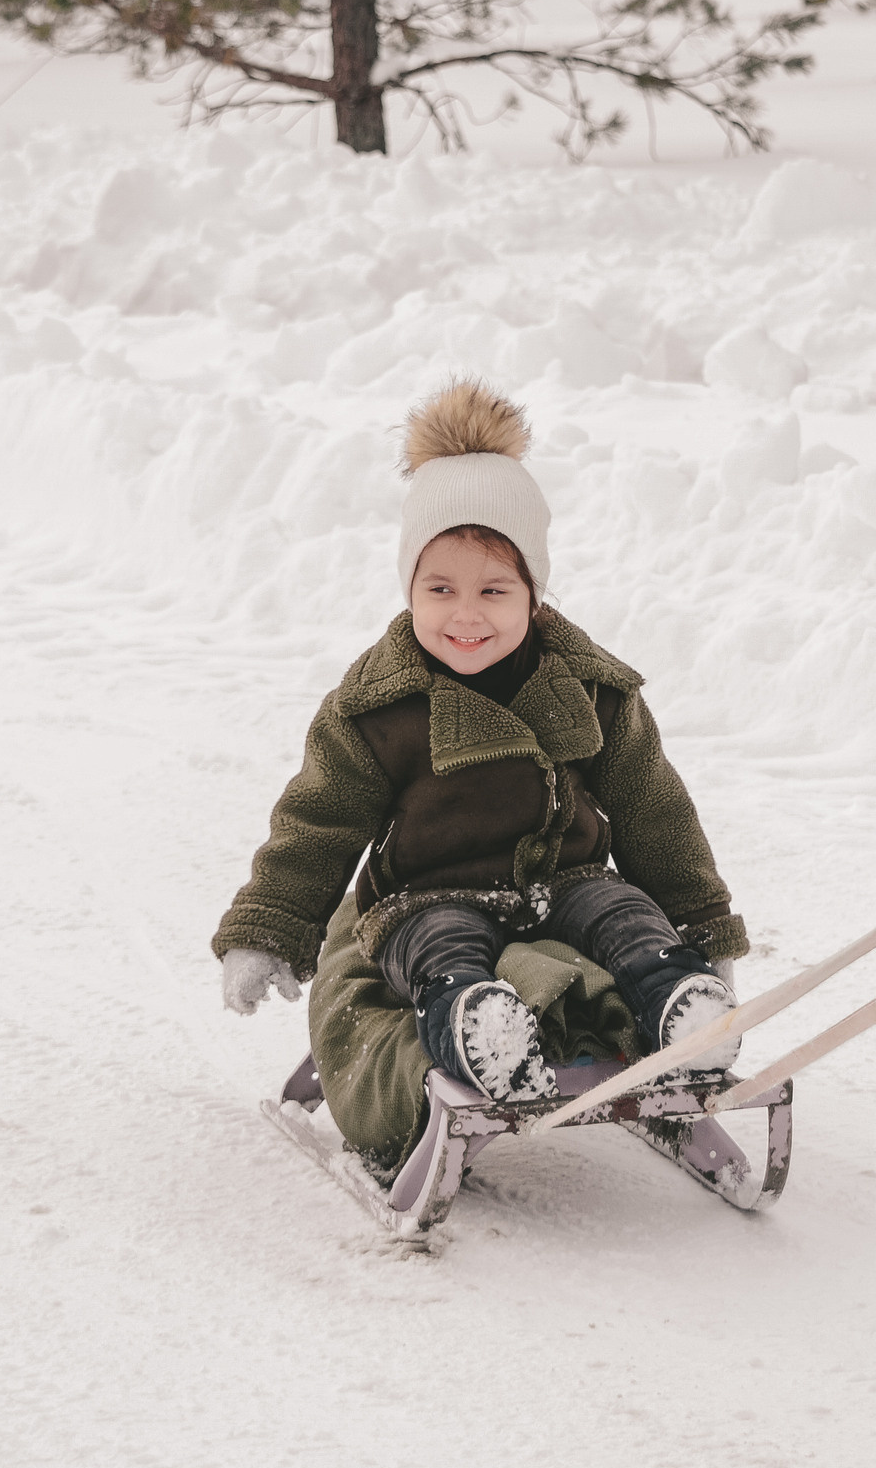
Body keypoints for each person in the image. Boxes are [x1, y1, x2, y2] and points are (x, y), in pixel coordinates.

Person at [212, 380, 749, 1170]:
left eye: (494, 590)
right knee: (442, 946)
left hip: (564, 884)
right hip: (424, 896)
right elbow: (317, 824)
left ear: (534, 593)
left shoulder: (590, 686)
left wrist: (702, 925)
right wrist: (268, 927)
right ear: (409, 590)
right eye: (440, 589)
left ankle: (680, 1006)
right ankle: (477, 1027)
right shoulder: (379, 705)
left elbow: (653, 809)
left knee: (624, 911)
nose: (466, 615)